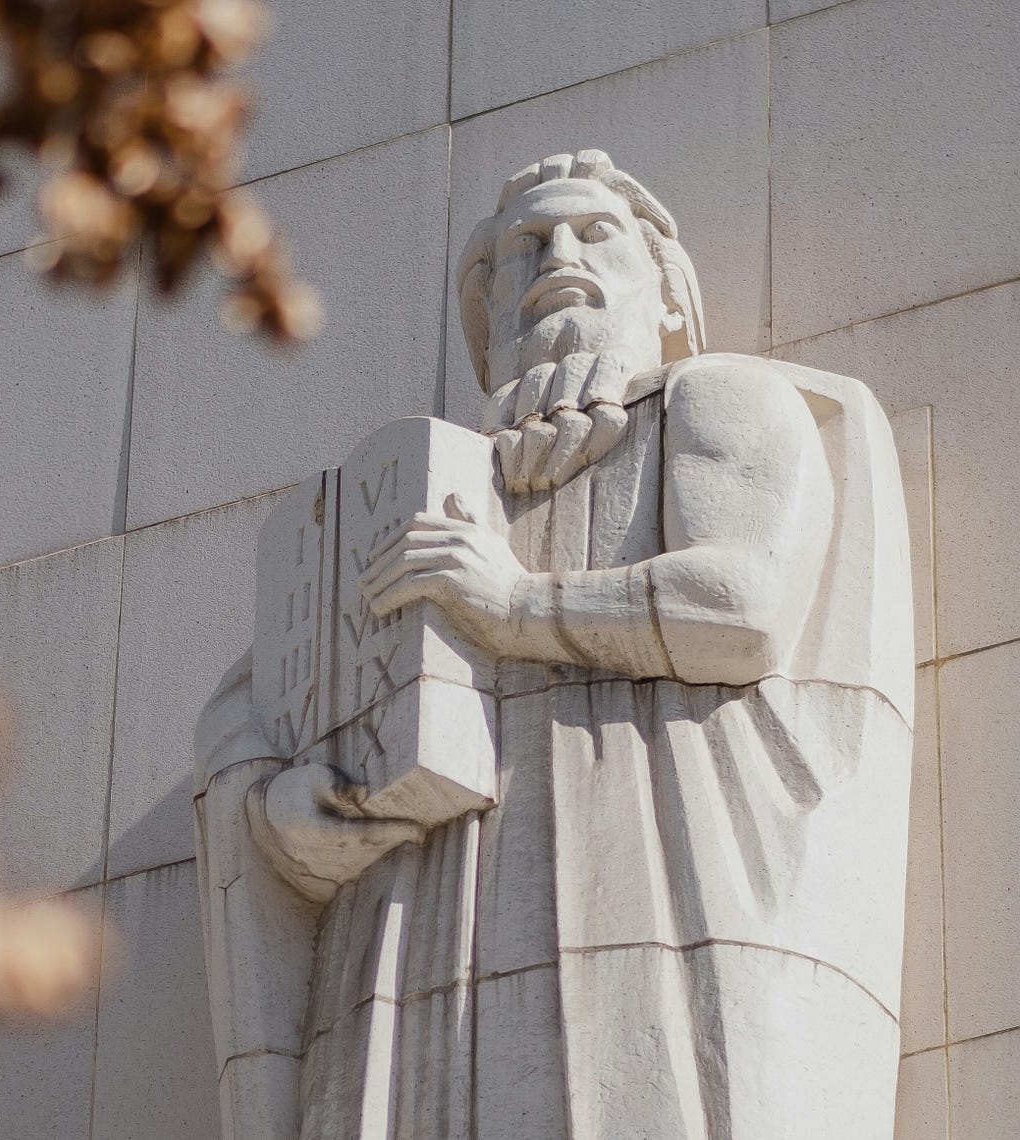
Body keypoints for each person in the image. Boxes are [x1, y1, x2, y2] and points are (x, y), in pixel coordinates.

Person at [195, 148, 913, 1139]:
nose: (556, 255)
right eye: (525, 246)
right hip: (413, 939)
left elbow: (745, 603)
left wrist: (513, 603)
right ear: (486, 325)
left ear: (667, 293)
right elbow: (246, 712)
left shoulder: (709, 401)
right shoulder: (403, 499)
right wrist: (286, 815)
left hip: (649, 892)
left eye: (591, 231)